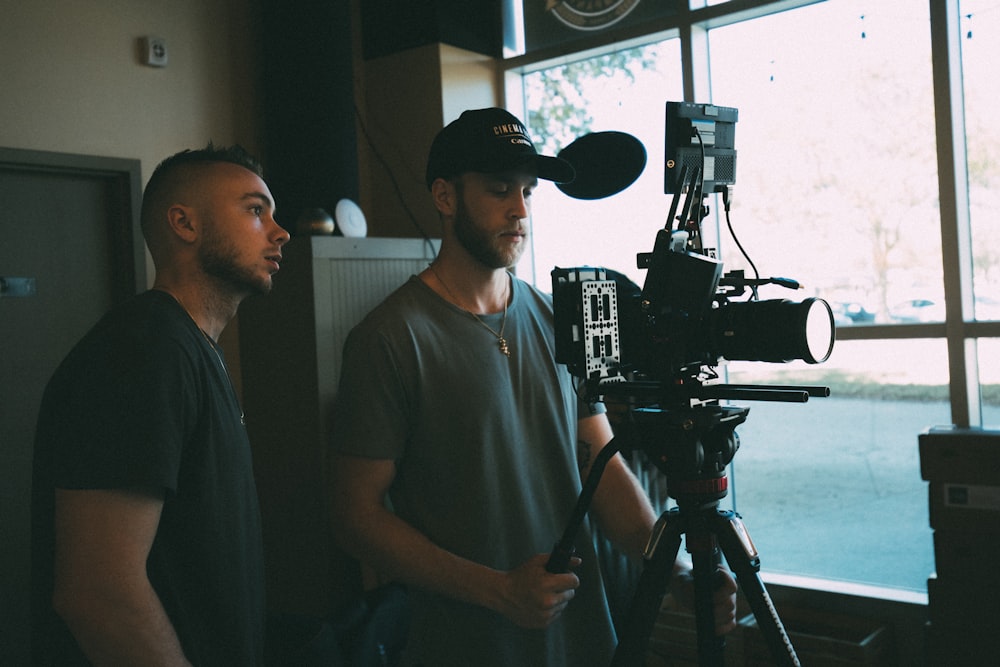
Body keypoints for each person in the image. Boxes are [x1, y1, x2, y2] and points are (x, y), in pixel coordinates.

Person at [328, 108, 738, 666]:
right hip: (468, 644)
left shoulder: (553, 320)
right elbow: (356, 516)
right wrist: (497, 588)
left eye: (528, 192)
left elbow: (601, 465)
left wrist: (670, 566)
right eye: (499, 190)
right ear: (445, 197)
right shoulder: (389, 339)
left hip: (584, 639)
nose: (519, 210)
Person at [31, 143, 290, 666]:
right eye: (255, 210)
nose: (279, 232)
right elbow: (97, 594)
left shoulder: (193, 351)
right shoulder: (144, 351)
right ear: (184, 224)